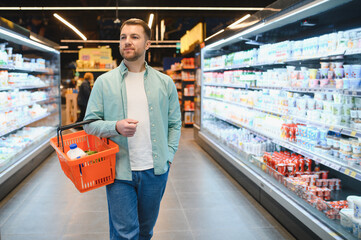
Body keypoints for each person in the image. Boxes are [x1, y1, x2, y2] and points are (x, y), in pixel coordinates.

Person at [83, 18, 181, 240]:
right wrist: (115, 126)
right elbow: (89, 123)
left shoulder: (165, 83)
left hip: (155, 171)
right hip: (119, 171)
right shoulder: (104, 82)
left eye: (134, 37)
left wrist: (169, 156)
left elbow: (175, 123)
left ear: (147, 44)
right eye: (123, 37)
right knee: (125, 234)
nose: (127, 42)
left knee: (145, 232)